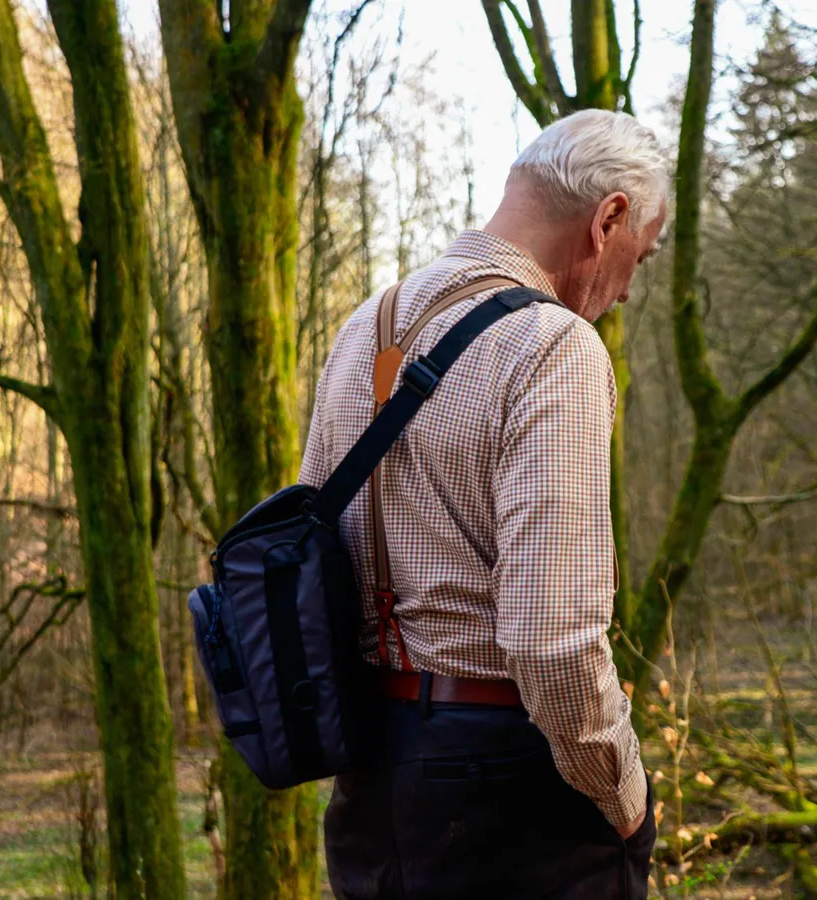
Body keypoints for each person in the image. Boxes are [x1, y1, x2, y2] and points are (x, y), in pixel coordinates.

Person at [299, 108, 668, 900]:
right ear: (609, 219)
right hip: (511, 790)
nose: (632, 288)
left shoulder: (364, 327)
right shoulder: (554, 347)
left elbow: (312, 560)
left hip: (370, 778)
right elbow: (550, 640)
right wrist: (627, 798)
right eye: (645, 250)